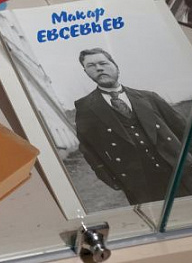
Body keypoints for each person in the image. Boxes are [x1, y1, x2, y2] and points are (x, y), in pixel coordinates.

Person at [75, 48, 192, 205]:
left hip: (181, 172)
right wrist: (112, 179)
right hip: (140, 185)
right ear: (86, 72)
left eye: (103, 63)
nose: (99, 68)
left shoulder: (149, 97)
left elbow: (183, 130)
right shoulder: (86, 108)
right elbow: (88, 149)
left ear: (115, 66)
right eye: (91, 66)